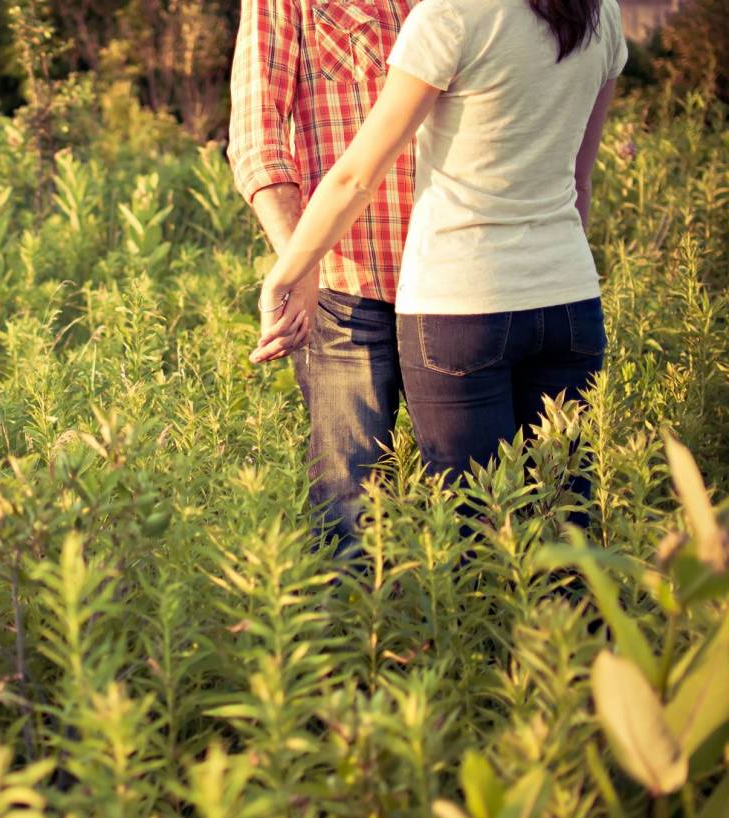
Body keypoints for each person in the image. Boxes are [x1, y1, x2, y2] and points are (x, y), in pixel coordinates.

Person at [251, 0, 627, 500]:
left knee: (476, 522)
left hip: (462, 303)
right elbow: (581, 183)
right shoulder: (603, 14)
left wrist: (284, 275)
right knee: (563, 513)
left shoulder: (450, 15)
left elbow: (356, 178)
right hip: (571, 300)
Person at [228, 0, 418, 554]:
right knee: (349, 517)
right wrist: (301, 262)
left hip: (455, 290)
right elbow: (256, 139)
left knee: (475, 502)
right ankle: (356, 636)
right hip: (345, 294)